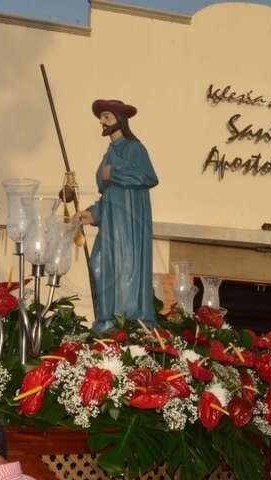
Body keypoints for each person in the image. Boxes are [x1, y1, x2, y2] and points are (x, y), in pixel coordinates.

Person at [77, 99, 158, 333]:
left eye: (106, 117)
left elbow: (148, 176)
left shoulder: (135, 148)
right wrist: (92, 214)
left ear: (119, 121)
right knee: (98, 262)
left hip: (129, 227)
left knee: (126, 269)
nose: (102, 122)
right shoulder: (110, 151)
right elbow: (110, 196)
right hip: (111, 225)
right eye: (101, 118)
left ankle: (128, 321)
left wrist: (115, 171)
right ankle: (107, 320)